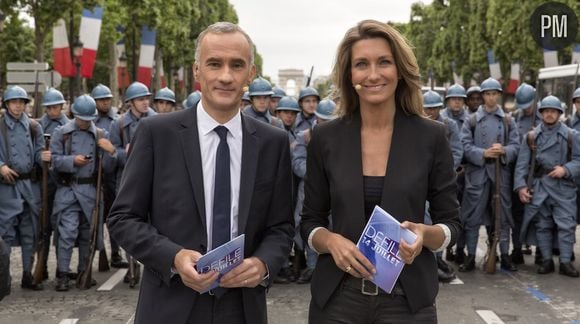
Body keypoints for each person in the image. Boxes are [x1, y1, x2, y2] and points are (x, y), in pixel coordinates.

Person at [107, 22, 294, 324]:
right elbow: (122, 218)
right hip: (170, 303)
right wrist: (174, 257)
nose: (225, 76)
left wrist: (262, 263)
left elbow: (282, 227)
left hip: (243, 308)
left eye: (236, 65)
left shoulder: (273, 143)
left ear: (251, 73)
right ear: (197, 70)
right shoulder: (156, 134)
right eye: (214, 64)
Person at [300, 20, 461, 323]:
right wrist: (331, 242)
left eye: (384, 62)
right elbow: (310, 222)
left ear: (399, 70)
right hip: (337, 300)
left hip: (407, 301)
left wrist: (425, 235)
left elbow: (452, 224)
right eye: (362, 64)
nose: (373, 74)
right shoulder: (325, 138)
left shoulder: (432, 137)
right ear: (350, 75)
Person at [50, 95, 117, 291]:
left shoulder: (100, 134)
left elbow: (109, 168)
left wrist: (111, 151)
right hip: (69, 191)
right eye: (82, 119)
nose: (85, 123)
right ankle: (62, 273)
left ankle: (83, 271)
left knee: (88, 234)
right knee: (67, 233)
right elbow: (54, 161)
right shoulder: (61, 133)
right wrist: (72, 161)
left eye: (89, 120)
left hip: (91, 192)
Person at [514, 95, 580, 277]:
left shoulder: (571, 135)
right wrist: (521, 187)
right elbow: (522, 164)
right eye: (546, 111)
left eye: (553, 111)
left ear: (559, 113)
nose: (550, 114)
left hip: (563, 188)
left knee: (566, 225)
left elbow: (578, 160)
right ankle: (546, 260)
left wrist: (566, 169)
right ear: (541, 113)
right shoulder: (532, 137)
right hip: (540, 187)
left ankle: (566, 262)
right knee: (542, 225)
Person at [459, 77, 520, 273]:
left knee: (502, 217)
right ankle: (470, 256)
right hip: (478, 175)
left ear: (499, 96)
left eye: (494, 94)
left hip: (500, 174)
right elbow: (464, 146)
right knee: (472, 217)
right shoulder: (472, 120)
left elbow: (516, 146)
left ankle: (504, 254)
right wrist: (483, 153)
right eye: (487, 94)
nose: (491, 98)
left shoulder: (508, 120)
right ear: (483, 96)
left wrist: (504, 150)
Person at [0, 85, 48, 291]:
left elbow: (38, 154)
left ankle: (28, 274)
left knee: (30, 231)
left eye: (22, 102)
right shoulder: (0, 126)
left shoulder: (34, 127)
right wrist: (0, 166)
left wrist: (45, 157)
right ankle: (5, 277)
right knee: (6, 232)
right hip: (7, 186)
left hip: (30, 184)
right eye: (14, 102)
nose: (18, 105)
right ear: (7, 104)